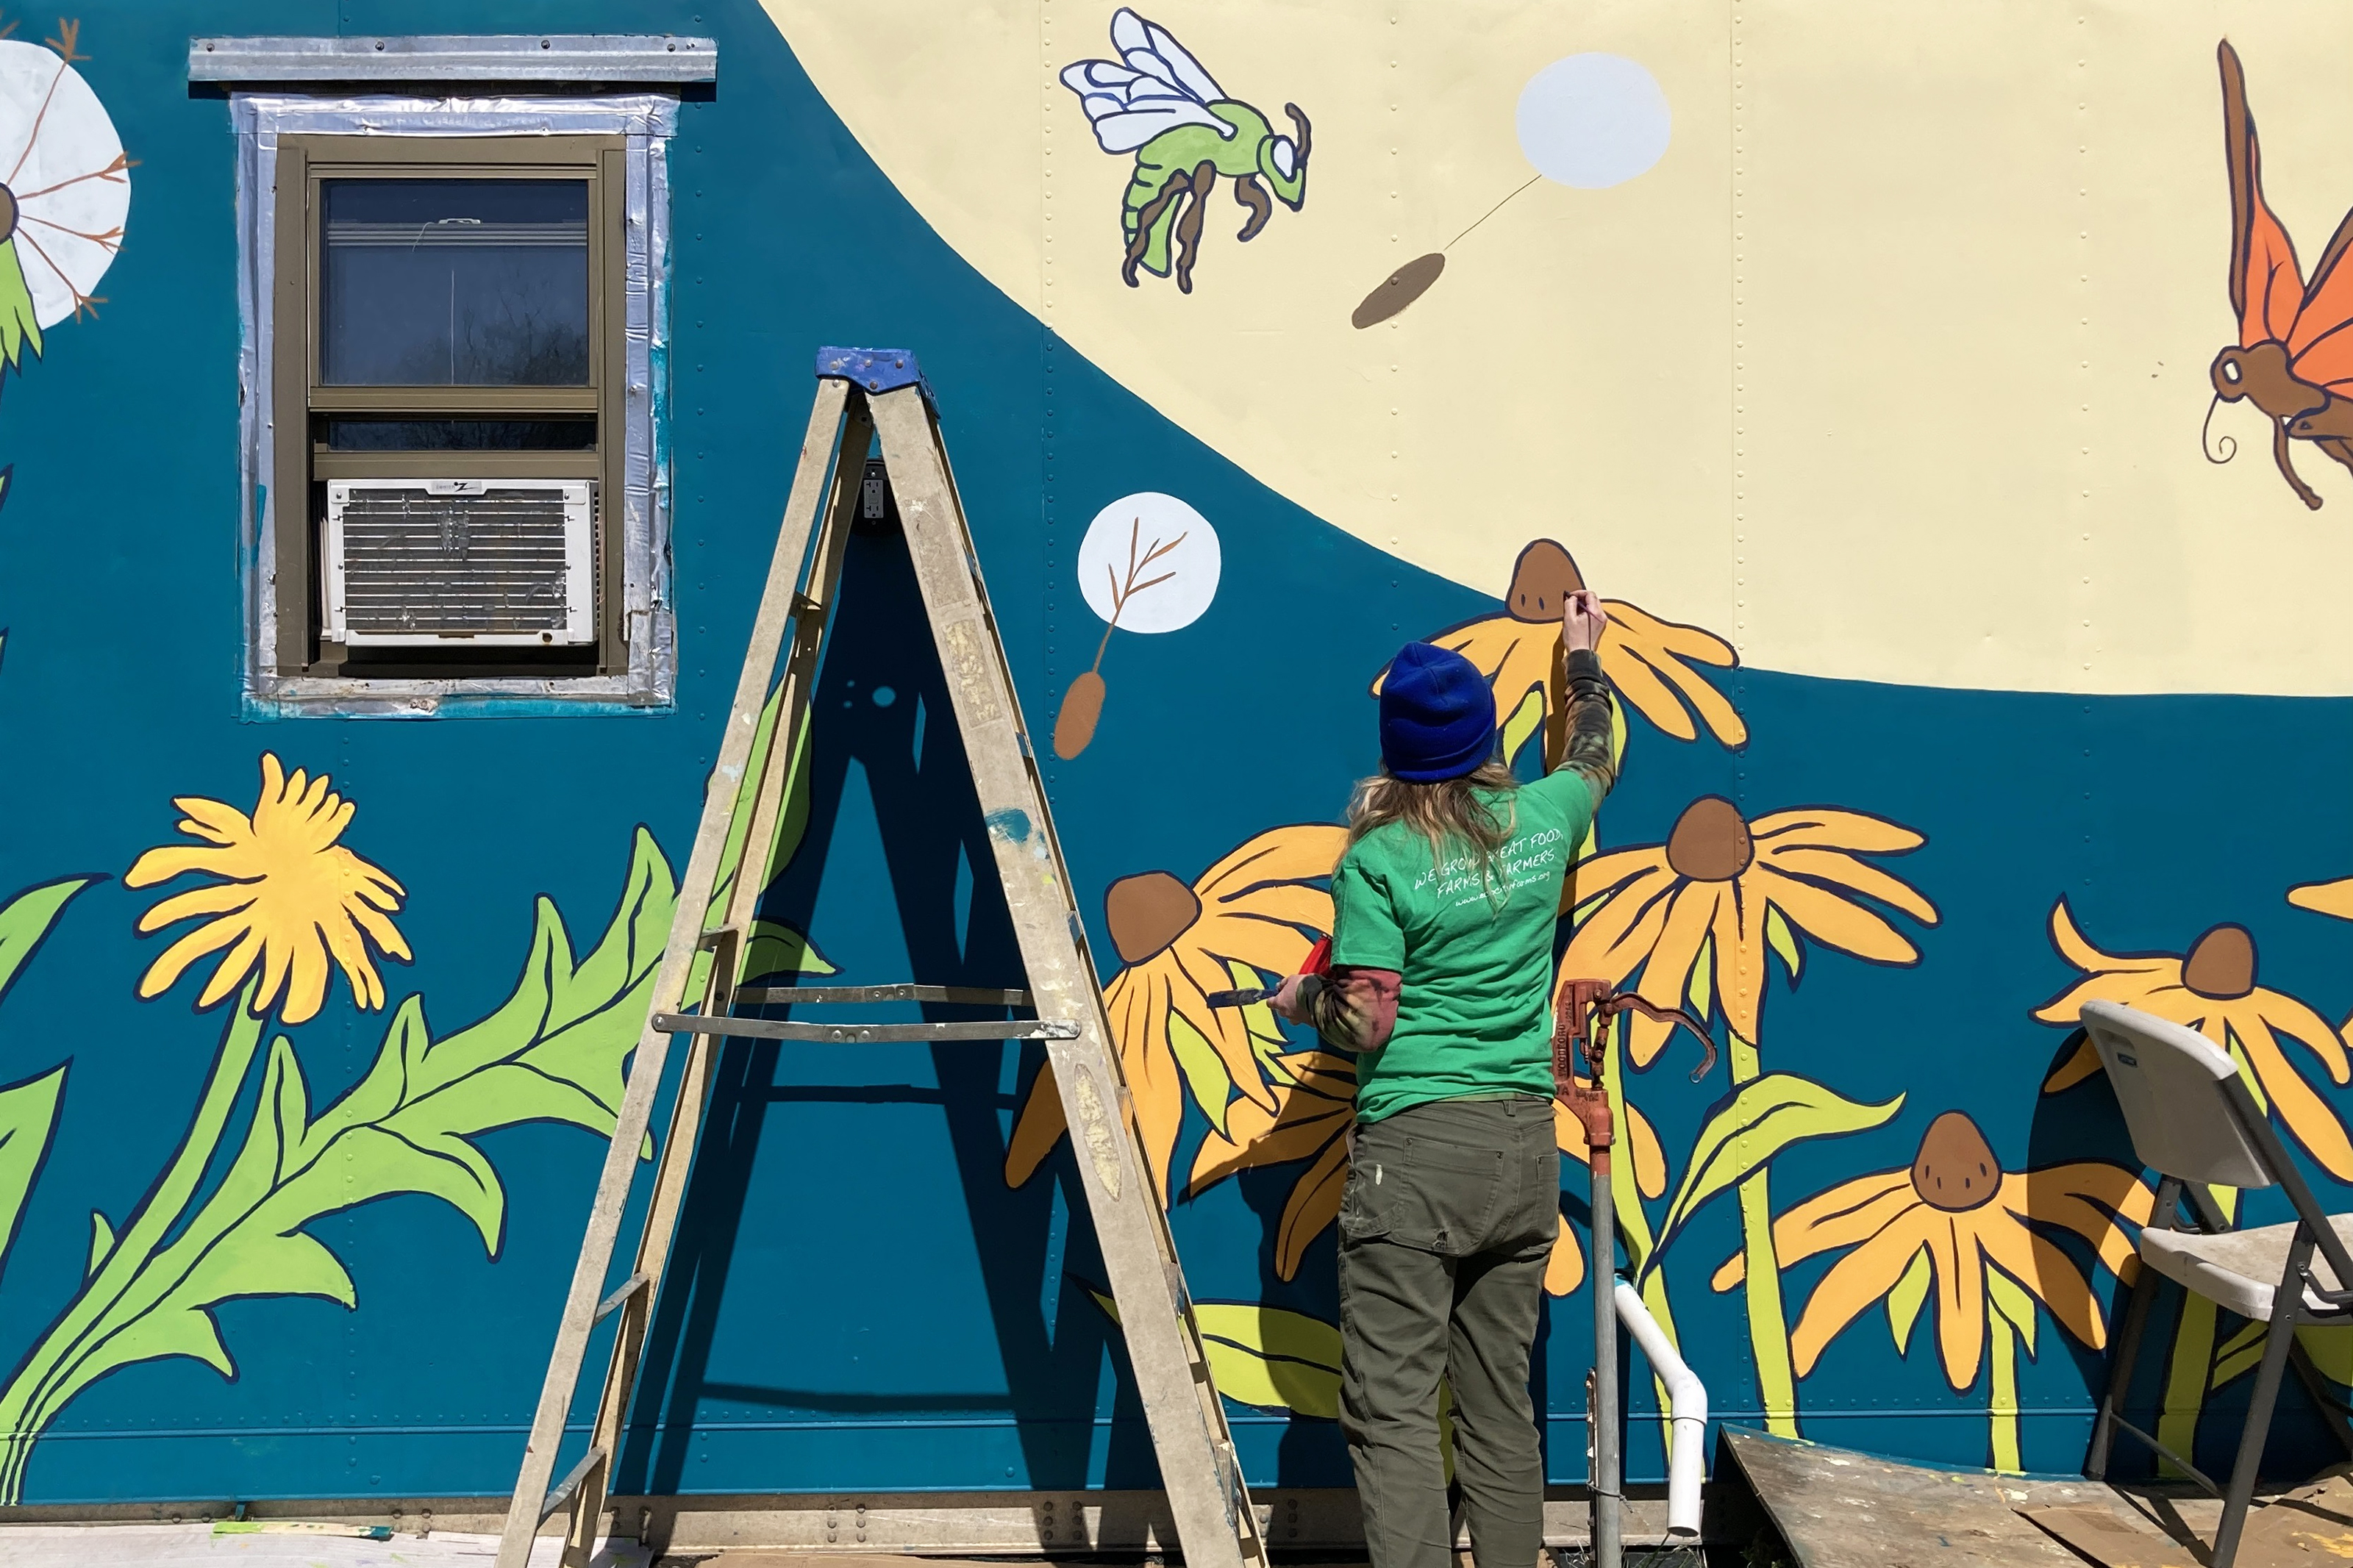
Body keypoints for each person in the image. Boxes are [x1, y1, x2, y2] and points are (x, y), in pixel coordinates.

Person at [1271, 588, 1617, 1568]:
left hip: (1416, 1154)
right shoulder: (1549, 816)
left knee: (1394, 1414)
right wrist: (1580, 660)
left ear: (1395, 754)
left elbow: (1367, 1017)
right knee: (1500, 1409)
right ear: (1488, 736)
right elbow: (1595, 751)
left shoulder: (1379, 859)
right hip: (1519, 1147)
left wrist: (1297, 997)